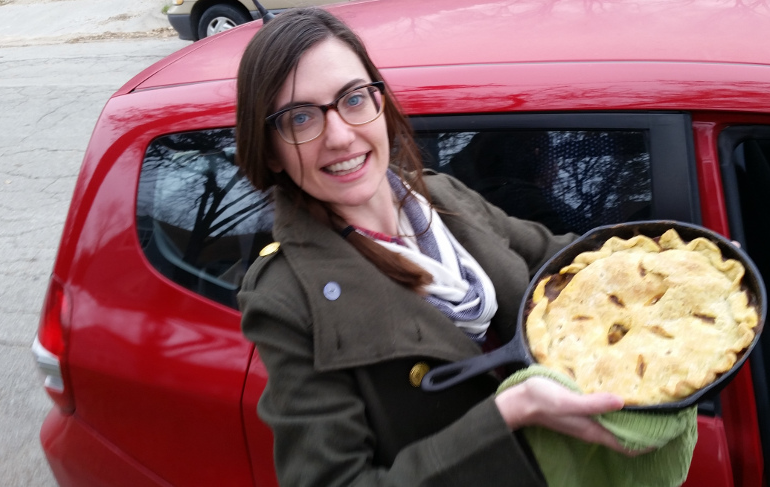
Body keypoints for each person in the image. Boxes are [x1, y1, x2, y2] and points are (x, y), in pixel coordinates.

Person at [235, 8, 631, 486]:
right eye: (299, 118)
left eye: (353, 99)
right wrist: (507, 415)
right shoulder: (286, 301)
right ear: (271, 151)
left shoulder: (441, 197)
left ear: (380, 102)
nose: (340, 136)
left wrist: (669, 261)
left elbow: (560, 259)